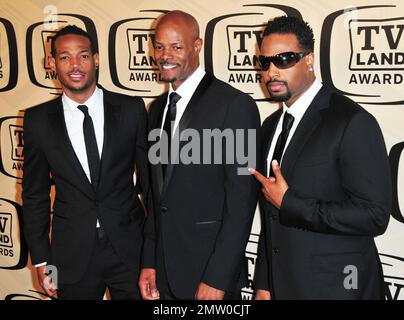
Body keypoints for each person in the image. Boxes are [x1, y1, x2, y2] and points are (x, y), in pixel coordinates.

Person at [250, 16, 392, 300]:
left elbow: (374, 216)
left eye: (285, 59)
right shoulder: (269, 127)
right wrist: (265, 283)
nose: (272, 72)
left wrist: (291, 203)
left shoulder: (351, 121)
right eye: (265, 62)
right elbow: (271, 217)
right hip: (283, 285)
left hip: (339, 288)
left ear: (310, 59)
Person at [139, 10, 261, 300]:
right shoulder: (156, 110)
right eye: (159, 46)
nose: (165, 55)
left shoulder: (235, 105)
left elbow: (242, 202)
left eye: (176, 47)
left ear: (197, 45)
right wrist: (149, 261)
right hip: (164, 272)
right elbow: (158, 199)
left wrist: (217, 277)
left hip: (209, 274)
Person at [22, 25, 149, 300]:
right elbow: (34, 196)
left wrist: (154, 254)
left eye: (83, 55)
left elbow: (150, 187)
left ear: (97, 58)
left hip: (131, 250)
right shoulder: (37, 121)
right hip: (71, 256)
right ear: (52, 62)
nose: (75, 65)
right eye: (65, 57)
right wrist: (43, 262)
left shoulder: (131, 110)